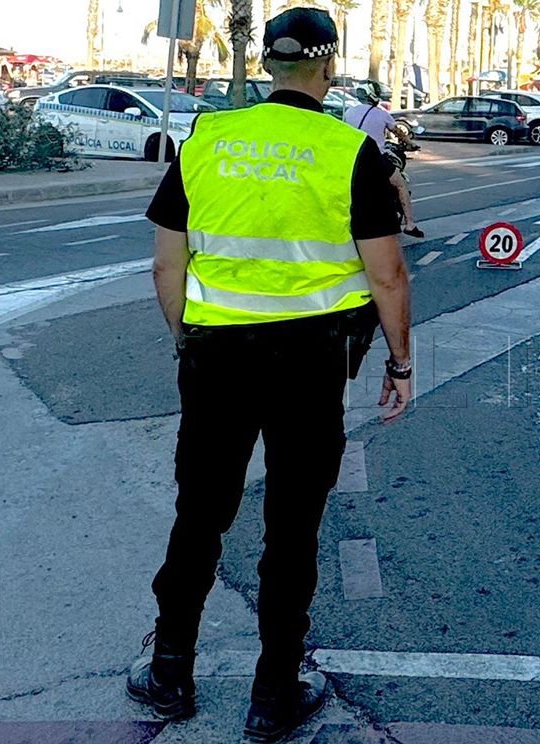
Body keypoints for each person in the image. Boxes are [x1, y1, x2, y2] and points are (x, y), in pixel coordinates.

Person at [127, 7, 413, 742]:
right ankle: (273, 694)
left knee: (200, 513)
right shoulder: (351, 152)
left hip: (216, 358)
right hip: (311, 366)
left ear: (267, 68)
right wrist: (400, 364)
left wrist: (187, 341)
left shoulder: (207, 140)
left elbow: (169, 262)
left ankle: (168, 672)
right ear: (327, 68)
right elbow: (386, 276)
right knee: (292, 529)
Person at [345, 91, 423, 238]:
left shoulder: (349, 111)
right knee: (400, 185)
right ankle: (410, 224)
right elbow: (398, 132)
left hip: (352, 158)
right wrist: (411, 144)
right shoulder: (382, 114)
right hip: (375, 159)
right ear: (375, 97)